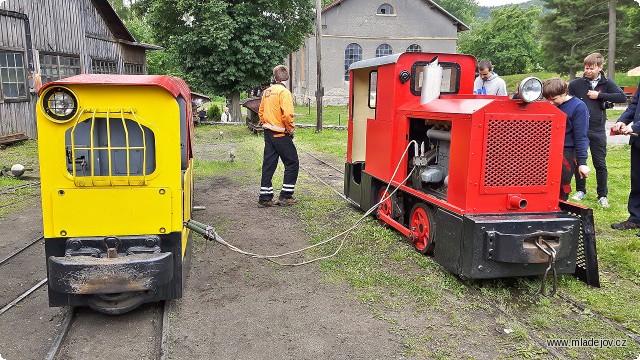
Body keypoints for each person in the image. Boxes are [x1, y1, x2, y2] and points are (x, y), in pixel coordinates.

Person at [568, 53, 627, 207]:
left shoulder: (606, 83)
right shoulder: (576, 84)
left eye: (591, 68)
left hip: (597, 128)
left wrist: (600, 96)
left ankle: (602, 195)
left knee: (600, 163)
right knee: (579, 161)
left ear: (600, 68)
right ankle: (581, 190)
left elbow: (622, 97)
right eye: (586, 68)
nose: (588, 71)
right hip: (579, 129)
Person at [257, 65, 299, 207]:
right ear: (287, 77)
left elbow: (261, 112)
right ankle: (286, 196)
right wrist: (290, 129)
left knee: (269, 164)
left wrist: (267, 123)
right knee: (292, 163)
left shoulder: (267, 92)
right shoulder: (284, 92)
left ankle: (265, 198)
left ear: (275, 78)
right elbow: (287, 114)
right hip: (281, 133)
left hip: (268, 133)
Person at [542, 78, 590, 200]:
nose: (551, 103)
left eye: (554, 99)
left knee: (561, 186)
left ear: (564, 93)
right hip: (545, 150)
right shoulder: (547, 105)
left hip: (566, 153)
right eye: (548, 99)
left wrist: (582, 163)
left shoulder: (578, 107)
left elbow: (581, 137)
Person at [610, 84, 640, 230]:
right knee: (637, 181)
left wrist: (635, 127)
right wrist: (622, 120)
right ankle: (635, 219)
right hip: (638, 141)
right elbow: (634, 105)